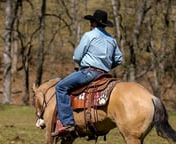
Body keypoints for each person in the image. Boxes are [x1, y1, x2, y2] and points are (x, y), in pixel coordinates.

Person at [51, 9, 123, 137]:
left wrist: (82, 62)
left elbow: (77, 56)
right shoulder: (112, 39)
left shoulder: (89, 35)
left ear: (94, 23)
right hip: (105, 75)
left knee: (61, 87)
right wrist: (107, 65)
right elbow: (119, 59)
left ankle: (68, 123)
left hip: (89, 72)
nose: (90, 24)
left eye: (91, 22)